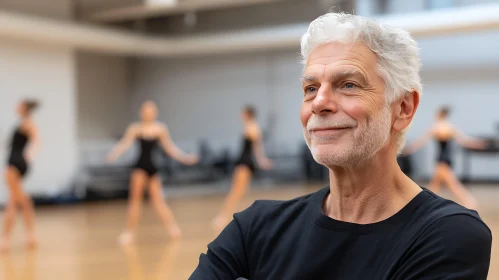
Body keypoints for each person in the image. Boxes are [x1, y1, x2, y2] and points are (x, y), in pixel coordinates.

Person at [190, 12, 491, 279]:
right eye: (310, 88)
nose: (319, 102)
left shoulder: (449, 236)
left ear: (403, 108)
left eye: (348, 84)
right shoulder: (255, 228)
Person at [107, 101, 198, 245]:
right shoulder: (135, 128)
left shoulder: (160, 128)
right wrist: (114, 153)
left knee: (159, 201)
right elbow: (125, 143)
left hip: (153, 168)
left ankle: (172, 228)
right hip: (140, 168)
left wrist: (185, 158)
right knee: (135, 201)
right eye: (146, 110)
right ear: (141, 112)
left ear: (155, 113)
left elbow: (170, 148)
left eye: (151, 110)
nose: (148, 113)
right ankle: (129, 232)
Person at [404, 106, 486, 209]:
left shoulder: (436, 127)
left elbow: (420, 141)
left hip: (442, 160)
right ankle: (425, 203)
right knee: (435, 184)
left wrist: (408, 149)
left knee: (451, 185)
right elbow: (465, 141)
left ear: (440, 114)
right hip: (446, 160)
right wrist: (479, 144)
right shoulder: (450, 127)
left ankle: (469, 201)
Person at [211, 106, 272, 230]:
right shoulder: (250, 127)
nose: (240, 115)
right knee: (241, 192)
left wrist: (262, 160)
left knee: (235, 192)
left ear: (248, 114)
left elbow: (257, 147)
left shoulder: (252, 128)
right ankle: (237, 218)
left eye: (243, 113)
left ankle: (223, 217)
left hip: (244, 163)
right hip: (244, 162)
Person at [1, 100, 40, 251]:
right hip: (16, 162)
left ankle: (5, 238)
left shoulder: (28, 123)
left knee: (12, 201)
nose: (16, 107)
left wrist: (30, 155)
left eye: (19, 105)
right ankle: (31, 236)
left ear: (25, 108)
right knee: (22, 200)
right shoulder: (20, 124)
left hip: (15, 164)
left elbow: (37, 140)